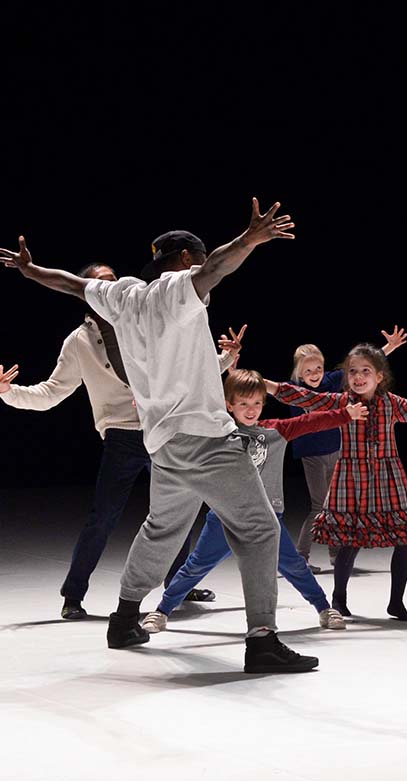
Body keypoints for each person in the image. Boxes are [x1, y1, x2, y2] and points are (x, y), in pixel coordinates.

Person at [1, 198, 319, 673]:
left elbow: (71, 283)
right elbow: (216, 268)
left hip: (164, 443)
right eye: (197, 259)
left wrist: (30, 271)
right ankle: (262, 642)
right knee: (258, 528)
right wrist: (250, 238)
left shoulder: (123, 297)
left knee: (162, 528)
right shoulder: (175, 288)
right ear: (186, 258)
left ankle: (124, 619)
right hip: (205, 438)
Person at [0, 262, 238, 619]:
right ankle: (73, 595)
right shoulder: (80, 342)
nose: (112, 286)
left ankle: (179, 585)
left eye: (114, 280)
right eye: (102, 282)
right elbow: (51, 392)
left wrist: (227, 358)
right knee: (103, 517)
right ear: (87, 291)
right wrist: (8, 392)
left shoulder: (144, 323)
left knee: (178, 513)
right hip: (122, 436)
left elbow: (185, 370)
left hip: (163, 430)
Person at [264, 343, 407, 621]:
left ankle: (396, 603)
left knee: (404, 538)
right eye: (352, 372)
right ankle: (339, 599)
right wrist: (267, 385)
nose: (358, 377)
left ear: (379, 376)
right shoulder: (342, 402)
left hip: (387, 477)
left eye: (365, 371)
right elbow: (305, 397)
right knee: (350, 540)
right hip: (352, 478)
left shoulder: (390, 403)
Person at [140, 368, 368, 634]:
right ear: (229, 405)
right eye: (244, 404)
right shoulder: (217, 434)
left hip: (268, 518)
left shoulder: (275, 431)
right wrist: (153, 407)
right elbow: (189, 413)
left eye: (257, 403)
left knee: (295, 566)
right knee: (196, 567)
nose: (251, 410)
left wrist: (345, 414)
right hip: (225, 517)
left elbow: (311, 421)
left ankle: (324, 609)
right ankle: (162, 611)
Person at [288, 326, 407, 573]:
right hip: (312, 455)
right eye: (308, 370)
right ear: (299, 372)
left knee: (335, 507)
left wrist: (389, 347)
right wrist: (234, 370)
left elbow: (361, 367)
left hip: (336, 450)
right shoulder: (295, 390)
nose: (314, 374)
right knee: (319, 506)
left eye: (318, 368)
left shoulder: (333, 381)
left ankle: (336, 556)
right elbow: (266, 389)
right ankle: (300, 557)